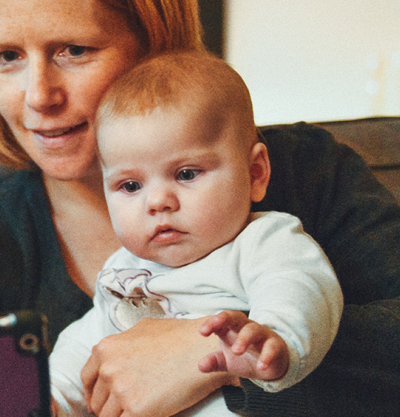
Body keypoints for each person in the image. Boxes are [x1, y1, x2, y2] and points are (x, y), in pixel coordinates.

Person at [0, 0, 400, 415]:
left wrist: (208, 356)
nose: (39, 95)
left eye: (73, 51)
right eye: (7, 56)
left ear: (152, 39)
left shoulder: (301, 175)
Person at [48, 51, 343, 416]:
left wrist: (274, 341)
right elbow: (86, 344)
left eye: (186, 174)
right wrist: (54, 396)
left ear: (255, 173)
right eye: (130, 185)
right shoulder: (123, 270)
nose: (157, 202)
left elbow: (301, 288)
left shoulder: (262, 241)